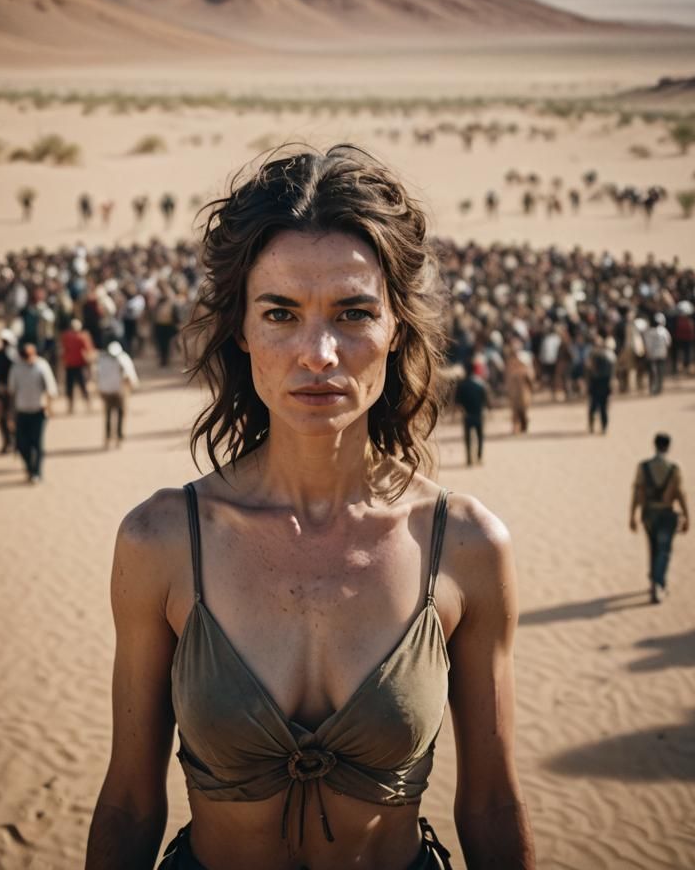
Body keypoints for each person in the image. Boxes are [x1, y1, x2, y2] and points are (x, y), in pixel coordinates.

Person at [86, 147, 535, 870]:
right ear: (242, 330)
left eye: (354, 313)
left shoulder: (465, 545)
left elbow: (491, 805)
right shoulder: (162, 541)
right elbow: (130, 803)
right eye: (281, 314)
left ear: (396, 328)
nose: (319, 352)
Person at [630, 432, 689, 603]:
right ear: (668, 447)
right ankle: (658, 583)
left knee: (653, 548)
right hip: (666, 513)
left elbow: (636, 491)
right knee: (664, 550)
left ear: (654, 445)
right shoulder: (673, 468)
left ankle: (653, 582)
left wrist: (632, 515)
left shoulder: (643, 467)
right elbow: (679, 493)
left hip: (648, 513)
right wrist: (686, 515)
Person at [8, 341, 58, 484]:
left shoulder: (41, 366)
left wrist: (50, 407)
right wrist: (11, 414)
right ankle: (29, 467)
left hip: (39, 411)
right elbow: (12, 391)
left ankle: (37, 472)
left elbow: (51, 389)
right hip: (22, 411)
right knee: (22, 444)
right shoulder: (16, 368)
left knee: (37, 443)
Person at [96, 340, 139, 448]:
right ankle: (114, 437)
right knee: (117, 414)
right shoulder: (122, 358)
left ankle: (111, 438)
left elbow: (98, 375)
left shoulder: (103, 359)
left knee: (111, 414)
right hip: (117, 392)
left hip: (110, 391)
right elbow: (129, 374)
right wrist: (133, 385)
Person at [453, 360, 488, 466]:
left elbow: (457, 402)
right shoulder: (480, 384)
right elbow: (485, 400)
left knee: (468, 438)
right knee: (480, 437)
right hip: (478, 414)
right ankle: (479, 457)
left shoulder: (461, 385)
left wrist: (457, 413)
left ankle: (469, 459)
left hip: (467, 415)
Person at [60, 318, 95, 414]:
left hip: (71, 365)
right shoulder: (82, 336)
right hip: (78, 365)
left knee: (70, 387)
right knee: (82, 386)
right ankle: (87, 405)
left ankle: (71, 407)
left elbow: (63, 350)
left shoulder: (66, 336)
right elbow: (88, 351)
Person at [586, 334, 615, 434]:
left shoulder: (597, 355)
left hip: (600, 385)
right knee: (598, 408)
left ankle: (601, 426)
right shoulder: (606, 355)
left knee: (599, 408)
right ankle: (598, 426)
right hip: (598, 385)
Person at [642, 314, 671, 396]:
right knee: (659, 371)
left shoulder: (647, 331)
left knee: (653, 372)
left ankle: (654, 387)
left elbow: (644, 344)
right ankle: (658, 387)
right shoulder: (663, 331)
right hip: (660, 354)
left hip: (652, 355)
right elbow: (668, 342)